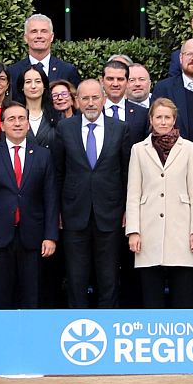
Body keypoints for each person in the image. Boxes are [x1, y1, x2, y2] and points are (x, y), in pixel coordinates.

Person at [56, 79, 132, 308]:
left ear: (104, 99)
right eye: (85, 98)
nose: (90, 103)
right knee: (76, 277)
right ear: (77, 101)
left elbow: (127, 173)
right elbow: (58, 172)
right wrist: (58, 211)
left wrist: (128, 210)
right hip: (73, 214)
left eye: (95, 98)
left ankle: (108, 323)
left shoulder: (120, 129)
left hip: (110, 214)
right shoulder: (65, 128)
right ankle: (78, 323)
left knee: (108, 277)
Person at [0, 102, 59, 309]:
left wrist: (50, 236)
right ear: (2, 126)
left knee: (32, 296)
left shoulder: (43, 155)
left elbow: (50, 198)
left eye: (22, 119)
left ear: (28, 124)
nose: (17, 123)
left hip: (34, 237)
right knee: (1, 297)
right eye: (11, 119)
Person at [125, 98, 193, 307]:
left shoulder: (189, 148)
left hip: (181, 227)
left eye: (167, 117)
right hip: (148, 227)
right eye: (158, 117)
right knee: (151, 293)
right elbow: (133, 193)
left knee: (183, 292)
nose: (163, 122)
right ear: (151, 119)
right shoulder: (138, 149)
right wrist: (133, 231)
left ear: (174, 120)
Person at [8, 14, 80, 100]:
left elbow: (76, 104)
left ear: (52, 37)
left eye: (44, 31)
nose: (39, 36)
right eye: (34, 31)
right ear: (25, 38)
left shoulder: (67, 70)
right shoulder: (13, 72)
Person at [99, 59, 149, 141]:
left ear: (127, 82)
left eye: (120, 79)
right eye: (110, 79)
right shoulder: (93, 111)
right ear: (102, 81)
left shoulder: (142, 114)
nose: (115, 84)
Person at [19, 64, 56, 147]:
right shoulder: (14, 115)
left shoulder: (57, 115)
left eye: (38, 81)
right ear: (22, 87)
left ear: (44, 86)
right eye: (28, 82)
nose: (33, 86)